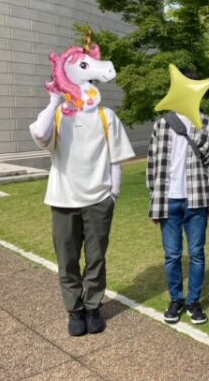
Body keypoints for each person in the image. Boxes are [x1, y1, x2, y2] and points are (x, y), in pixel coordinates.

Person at [30, 93, 135, 337]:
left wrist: (113, 194)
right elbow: (40, 135)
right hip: (62, 199)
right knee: (67, 259)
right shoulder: (55, 115)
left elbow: (116, 158)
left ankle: (93, 308)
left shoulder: (105, 115)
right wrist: (54, 101)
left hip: (98, 200)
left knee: (96, 258)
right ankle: (75, 310)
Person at [147, 112, 209, 325]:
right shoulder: (162, 124)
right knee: (172, 255)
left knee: (197, 253)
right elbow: (152, 164)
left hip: (197, 199)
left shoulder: (207, 124)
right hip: (168, 199)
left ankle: (193, 301)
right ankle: (176, 300)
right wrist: (154, 202)